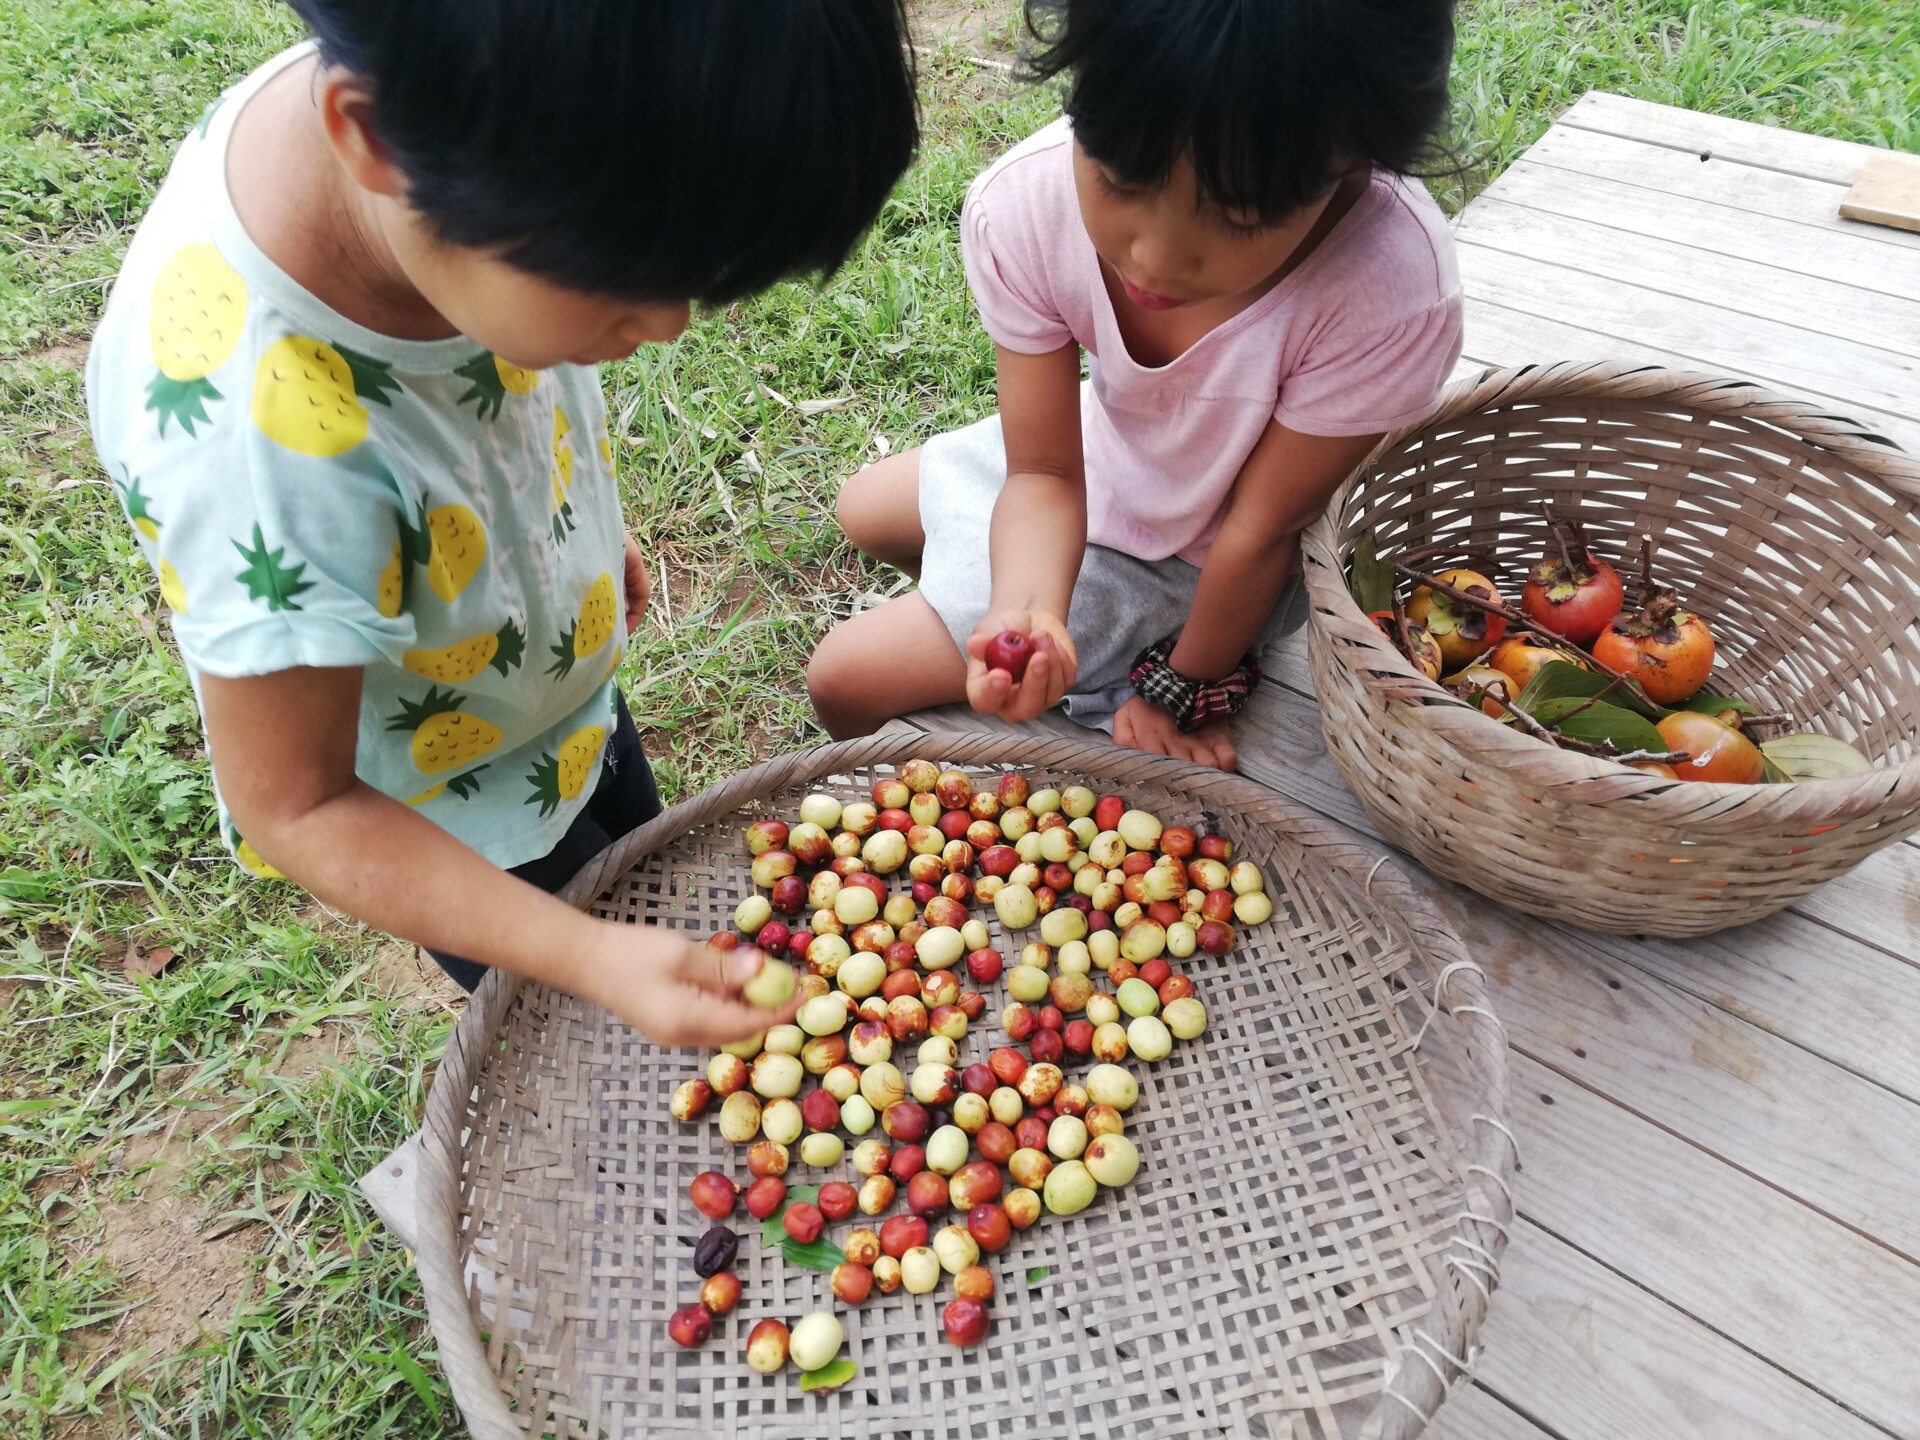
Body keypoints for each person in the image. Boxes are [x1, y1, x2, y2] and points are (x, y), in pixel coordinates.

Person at [85, 0, 917, 1046]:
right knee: (590, 1026)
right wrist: (588, 956)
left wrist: (576, 535)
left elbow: (508, 384)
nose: (662, 330)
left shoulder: (478, 113)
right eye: (622, 287)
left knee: (634, 852)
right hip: (453, 818)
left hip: (552, 701)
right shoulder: (257, 451)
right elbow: (295, 806)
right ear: (375, 138)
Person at [809, 0, 1462, 772]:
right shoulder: (1026, 205)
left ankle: (1115, 639)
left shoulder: (1391, 291)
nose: (1151, 259)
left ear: (1353, 161)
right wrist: (1028, 609)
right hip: (1104, 453)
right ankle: (998, 600)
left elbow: (1261, 535)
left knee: (842, 680)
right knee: (863, 507)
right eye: (1120, 178)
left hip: (1199, 555)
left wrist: (1183, 684)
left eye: (1237, 216)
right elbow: (1045, 470)